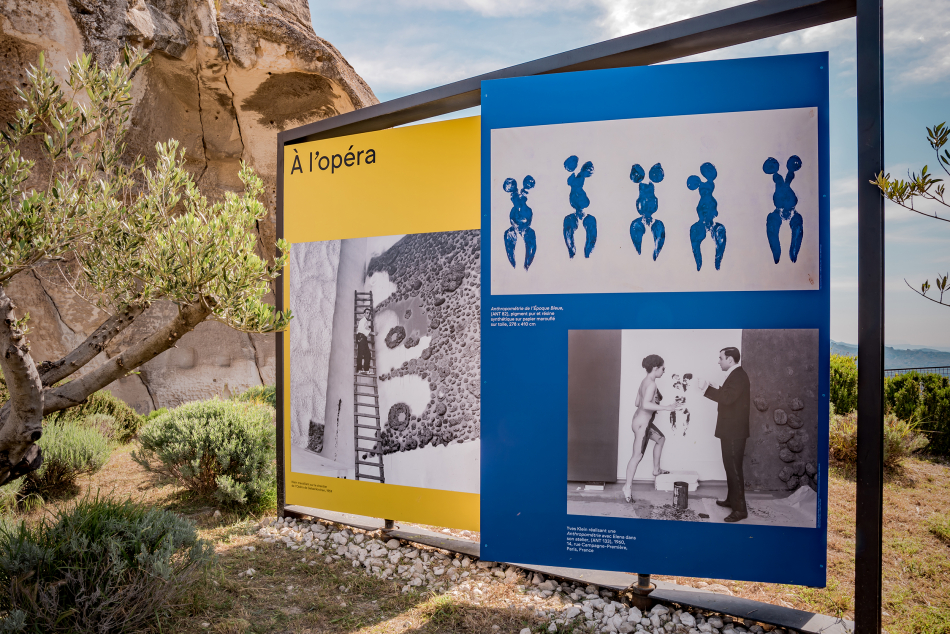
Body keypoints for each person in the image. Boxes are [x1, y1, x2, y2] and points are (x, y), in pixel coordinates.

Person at [697, 346, 751, 522]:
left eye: (720, 358)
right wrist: (715, 387)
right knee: (730, 467)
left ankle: (740, 509)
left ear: (730, 359)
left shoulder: (739, 376)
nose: (718, 361)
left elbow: (727, 398)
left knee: (734, 469)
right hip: (731, 430)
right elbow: (730, 395)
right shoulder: (737, 375)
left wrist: (707, 389)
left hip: (734, 431)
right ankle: (731, 500)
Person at [622, 354, 682, 504]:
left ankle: (656, 469)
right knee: (637, 456)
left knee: (660, 439)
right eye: (663, 368)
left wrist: (652, 401)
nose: (664, 371)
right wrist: (666, 407)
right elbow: (645, 405)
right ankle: (627, 487)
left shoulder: (645, 381)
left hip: (639, 421)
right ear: (655, 368)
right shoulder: (652, 384)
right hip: (642, 425)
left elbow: (637, 402)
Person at [355, 308, 373, 375]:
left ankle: (366, 370)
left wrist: (370, 331)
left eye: (369, 313)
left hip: (363, 338)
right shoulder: (362, 321)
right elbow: (362, 330)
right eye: (367, 313)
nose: (368, 314)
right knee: (360, 353)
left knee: (367, 354)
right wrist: (372, 333)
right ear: (364, 314)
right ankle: (359, 369)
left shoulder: (366, 322)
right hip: (361, 337)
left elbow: (367, 329)